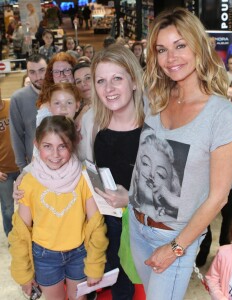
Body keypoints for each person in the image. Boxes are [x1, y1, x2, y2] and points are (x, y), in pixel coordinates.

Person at [127, 8, 232, 300]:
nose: (171, 58)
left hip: (174, 237)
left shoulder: (221, 115)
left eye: (180, 45)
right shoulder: (156, 98)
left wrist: (176, 247)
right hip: (137, 225)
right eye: (162, 50)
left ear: (198, 47)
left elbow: (219, 197)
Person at [8, 115, 108, 300]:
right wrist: (24, 273)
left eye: (62, 146)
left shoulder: (84, 177)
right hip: (44, 257)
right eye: (48, 146)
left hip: (79, 253)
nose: (55, 154)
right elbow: (20, 232)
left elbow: (96, 225)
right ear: (36, 144)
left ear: (73, 145)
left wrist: (95, 264)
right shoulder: (28, 182)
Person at [79, 44, 145, 299]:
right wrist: (30, 177)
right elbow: (77, 163)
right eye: (101, 81)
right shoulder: (92, 121)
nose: (109, 89)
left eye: (117, 78)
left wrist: (130, 199)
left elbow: (170, 191)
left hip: (144, 225)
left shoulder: (155, 125)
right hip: (107, 223)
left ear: (134, 81)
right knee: (118, 285)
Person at [10, 54, 47, 171]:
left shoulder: (59, 93)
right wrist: (22, 168)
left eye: (42, 70)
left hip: (63, 164)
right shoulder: (18, 98)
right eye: (32, 72)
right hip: (34, 166)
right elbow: (16, 135)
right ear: (27, 73)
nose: (38, 77)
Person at [0, 88, 20, 237]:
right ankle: (12, 238)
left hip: (22, 166)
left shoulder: (12, 105)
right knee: (8, 208)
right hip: (3, 171)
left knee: (30, 203)